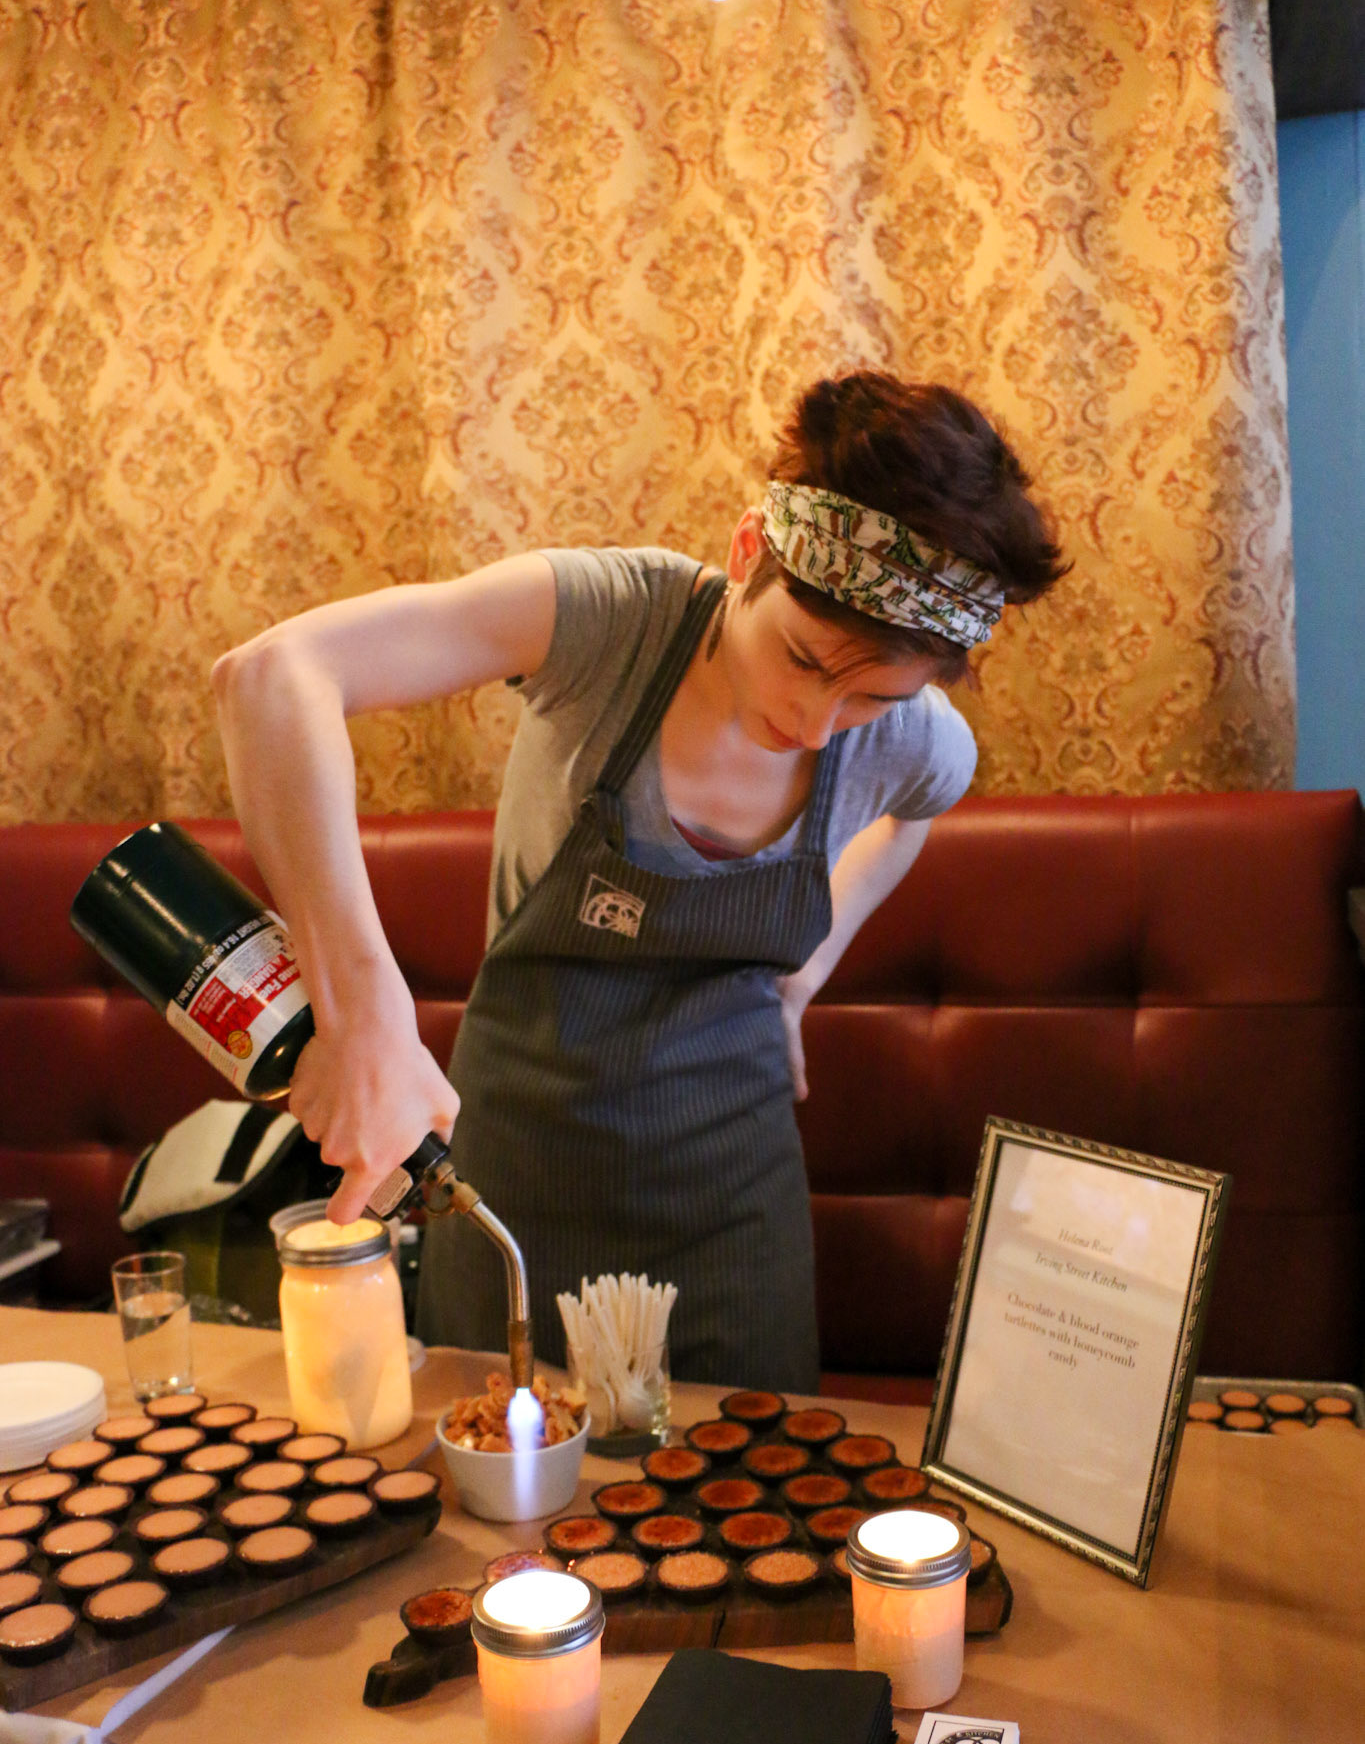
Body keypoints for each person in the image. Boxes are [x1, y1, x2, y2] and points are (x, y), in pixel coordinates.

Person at [212, 369, 1067, 1388]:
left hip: (732, 1186)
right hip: (518, 1156)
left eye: (871, 698)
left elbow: (913, 812)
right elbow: (272, 676)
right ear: (748, 553)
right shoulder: (610, 620)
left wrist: (804, 977)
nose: (815, 725)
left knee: (749, 1467)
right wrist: (364, 1011)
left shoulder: (918, 743)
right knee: (500, 1455)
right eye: (802, 659)